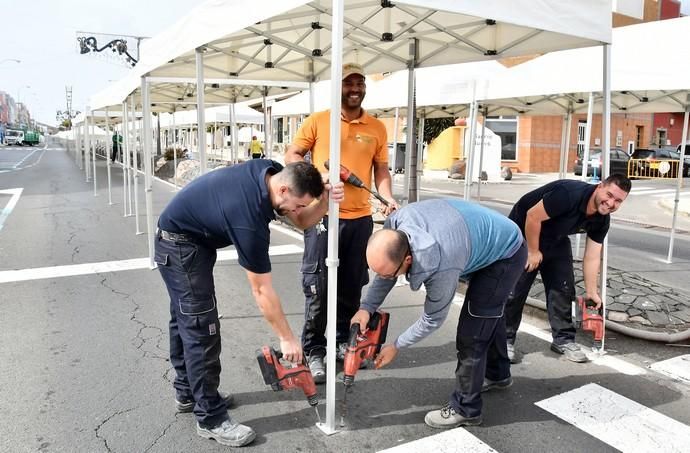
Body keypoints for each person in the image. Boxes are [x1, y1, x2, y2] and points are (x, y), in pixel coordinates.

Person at [155, 159, 344, 447]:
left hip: (191, 239)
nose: (296, 212)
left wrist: (325, 201)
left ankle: (187, 392)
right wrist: (287, 338)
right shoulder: (248, 218)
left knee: (184, 318)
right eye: (296, 205)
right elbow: (261, 291)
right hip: (180, 245)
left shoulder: (272, 171)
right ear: (283, 189)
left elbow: (303, 220)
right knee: (200, 327)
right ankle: (210, 418)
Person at [351, 198, 526, 429]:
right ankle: (498, 374)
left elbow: (433, 319)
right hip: (480, 235)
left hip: (506, 253)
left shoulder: (442, 265)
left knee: (473, 332)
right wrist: (366, 307)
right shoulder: (396, 224)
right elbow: (387, 273)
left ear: (409, 259)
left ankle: (467, 408)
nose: (383, 278)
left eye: (390, 274)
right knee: (488, 315)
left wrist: (396, 345)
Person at [284, 62, 398, 383]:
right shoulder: (320, 120)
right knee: (318, 286)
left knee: (351, 285)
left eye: (360, 83)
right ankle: (314, 349)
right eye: (349, 83)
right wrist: (319, 176)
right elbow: (292, 154)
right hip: (322, 216)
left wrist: (387, 197)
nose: (355, 89)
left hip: (360, 219)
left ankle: (339, 342)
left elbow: (382, 171)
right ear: (338, 88)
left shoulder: (376, 126)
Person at [504, 173, 631, 364]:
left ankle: (564, 340)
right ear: (599, 186)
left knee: (563, 288)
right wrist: (533, 251)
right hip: (523, 231)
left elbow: (592, 256)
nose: (611, 203)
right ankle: (504, 340)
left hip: (556, 237)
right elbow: (532, 216)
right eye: (609, 195)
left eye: (618, 201)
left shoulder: (602, 220)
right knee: (516, 289)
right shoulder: (568, 194)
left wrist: (591, 292)